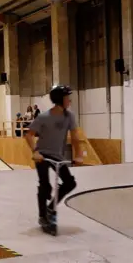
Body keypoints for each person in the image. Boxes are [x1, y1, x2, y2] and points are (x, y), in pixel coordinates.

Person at [24, 85, 84, 228]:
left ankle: (50, 208)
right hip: (43, 155)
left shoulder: (69, 116)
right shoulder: (44, 117)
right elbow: (29, 135)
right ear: (59, 100)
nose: (69, 101)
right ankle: (42, 216)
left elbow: (75, 137)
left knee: (70, 183)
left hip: (57, 156)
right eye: (67, 98)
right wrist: (35, 151)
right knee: (45, 185)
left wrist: (80, 155)